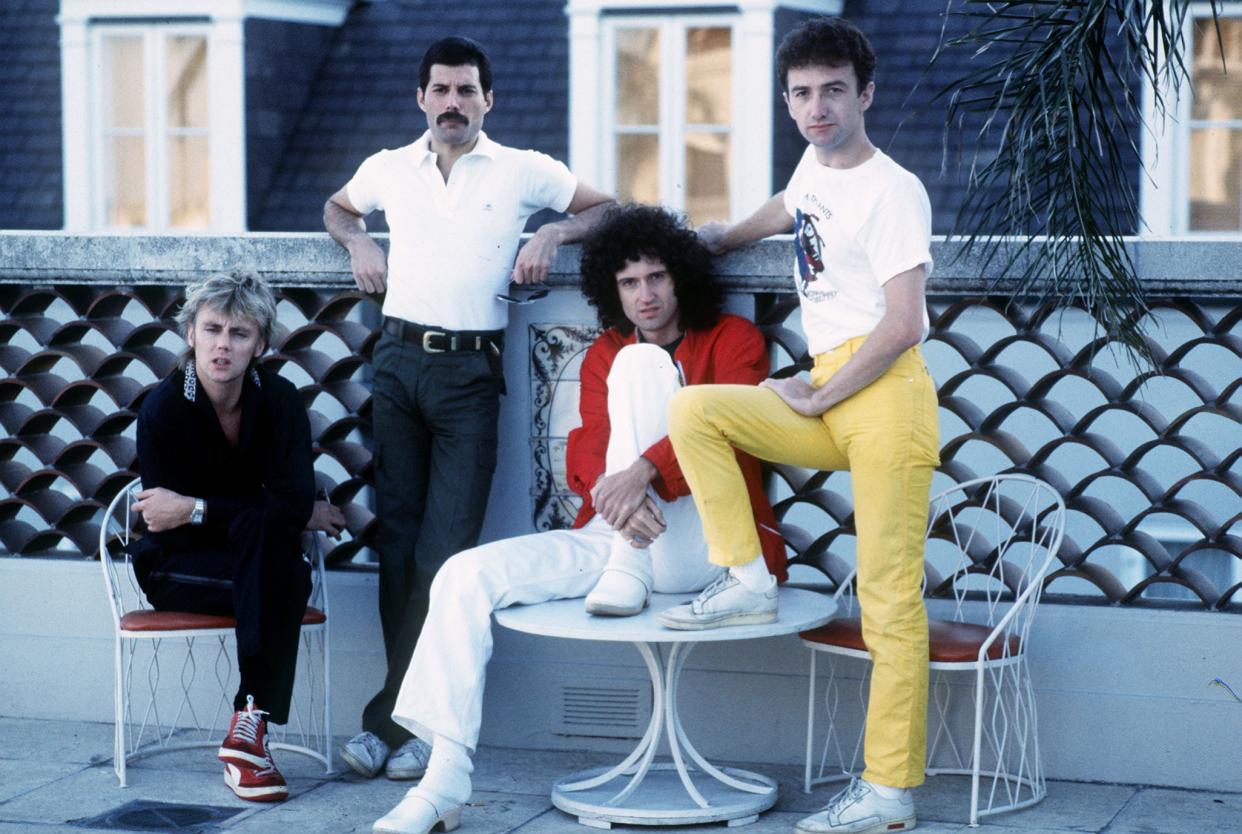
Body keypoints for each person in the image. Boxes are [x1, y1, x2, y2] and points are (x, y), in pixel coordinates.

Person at [369, 204, 786, 834]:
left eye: (656, 278)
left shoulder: (734, 340)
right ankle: (443, 781)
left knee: (644, 366)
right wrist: (625, 496)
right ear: (611, 290)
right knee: (461, 573)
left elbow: (735, 439)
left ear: (681, 279)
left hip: (708, 545)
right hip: (618, 537)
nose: (644, 295)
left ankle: (630, 562)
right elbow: (587, 455)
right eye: (628, 283)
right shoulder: (605, 353)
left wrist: (645, 471)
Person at [661, 17, 940, 834]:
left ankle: (889, 793)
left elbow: (906, 322)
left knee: (889, 600)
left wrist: (821, 397)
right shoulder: (814, 166)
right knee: (696, 408)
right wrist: (721, 236)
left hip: (884, 394)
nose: (817, 108)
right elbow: (792, 208)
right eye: (802, 94)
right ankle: (746, 580)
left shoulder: (895, 188)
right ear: (788, 101)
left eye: (833, 91)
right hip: (828, 386)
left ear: (866, 94)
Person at [322, 36, 613, 780]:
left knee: (444, 558)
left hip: (470, 376)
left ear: (489, 101)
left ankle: (418, 727)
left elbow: (608, 210)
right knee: (396, 546)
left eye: (467, 91)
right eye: (441, 90)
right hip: (395, 365)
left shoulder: (523, 170)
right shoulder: (390, 168)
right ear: (421, 98)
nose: (453, 103)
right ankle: (394, 724)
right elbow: (337, 206)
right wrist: (357, 242)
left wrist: (551, 228)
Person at [130, 272, 347, 802]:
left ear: (261, 345)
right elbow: (164, 526)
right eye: (212, 329)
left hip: (254, 560)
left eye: (239, 333)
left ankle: (247, 728)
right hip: (176, 569)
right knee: (279, 562)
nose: (222, 345)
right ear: (191, 335)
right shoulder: (162, 411)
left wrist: (198, 508)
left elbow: (290, 503)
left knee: (267, 538)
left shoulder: (280, 400)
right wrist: (280, 512)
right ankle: (252, 727)